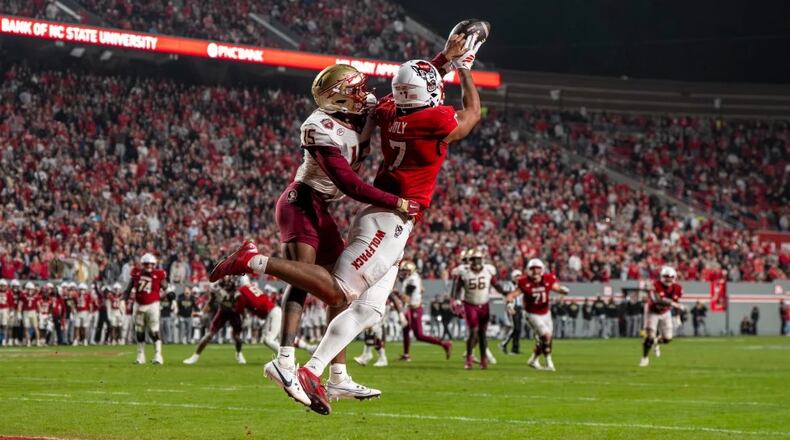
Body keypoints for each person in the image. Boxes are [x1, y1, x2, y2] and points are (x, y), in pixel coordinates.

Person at [210, 32, 482, 414]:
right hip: (302, 201)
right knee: (314, 284)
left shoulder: (375, 108)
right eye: (354, 89)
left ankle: (335, 375)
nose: (363, 93)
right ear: (337, 98)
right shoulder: (319, 128)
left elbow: (408, 92)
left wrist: (443, 60)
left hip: (331, 208)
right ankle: (281, 347)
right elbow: (349, 184)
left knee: (346, 298)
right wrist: (398, 201)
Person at [184, 276, 274, 365]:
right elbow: (210, 302)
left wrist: (244, 316)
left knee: (237, 338)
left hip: (235, 312)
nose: (226, 277)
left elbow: (243, 302)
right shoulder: (216, 287)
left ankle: (239, 353)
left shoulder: (237, 285)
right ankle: (195, 357)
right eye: (224, 275)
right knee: (209, 335)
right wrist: (201, 313)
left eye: (228, 275)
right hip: (222, 312)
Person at [505, 258, 571, 371]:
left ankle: (534, 360)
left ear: (542, 269)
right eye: (532, 269)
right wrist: (510, 305)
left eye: (537, 269)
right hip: (531, 313)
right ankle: (549, 363)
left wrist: (562, 290)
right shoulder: (524, 282)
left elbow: (556, 288)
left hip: (546, 313)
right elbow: (511, 295)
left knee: (546, 339)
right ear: (528, 270)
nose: (535, 271)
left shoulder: (548, 279)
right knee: (546, 335)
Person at [452, 248, 504, 369]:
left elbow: (496, 285)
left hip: (484, 304)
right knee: (473, 331)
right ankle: (469, 358)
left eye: (478, 259)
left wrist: (506, 293)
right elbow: (458, 288)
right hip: (470, 304)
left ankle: (483, 359)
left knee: (482, 334)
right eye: (473, 259)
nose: (476, 261)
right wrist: (457, 300)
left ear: (482, 259)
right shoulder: (464, 272)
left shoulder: (488, 271)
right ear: (470, 260)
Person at [400, 260, 452, 362]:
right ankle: (406, 355)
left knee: (419, 335)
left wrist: (400, 304)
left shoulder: (412, 280)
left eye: (405, 271)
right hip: (413, 307)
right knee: (405, 329)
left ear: (411, 271)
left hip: (414, 308)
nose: (403, 273)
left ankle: (444, 344)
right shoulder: (415, 277)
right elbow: (422, 289)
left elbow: (407, 297)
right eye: (403, 271)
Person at [125, 253, 167, 365]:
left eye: (151, 264)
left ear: (154, 264)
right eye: (146, 264)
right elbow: (129, 288)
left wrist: (169, 292)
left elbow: (165, 286)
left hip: (153, 304)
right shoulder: (136, 273)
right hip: (138, 304)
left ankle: (158, 355)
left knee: (154, 330)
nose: (149, 266)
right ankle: (140, 355)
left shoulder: (158, 274)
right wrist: (123, 299)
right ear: (142, 264)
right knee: (139, 330)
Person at [639, 266, 685, 367]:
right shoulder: (656, 285)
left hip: (665, 312)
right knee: (650, 336)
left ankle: (656, 342)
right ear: (661, 277)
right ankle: (645, 357)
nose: (668, 279)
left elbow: (676, 302)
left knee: (667, 338)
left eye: (670, 277)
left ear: (674, 277)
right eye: (665, 276)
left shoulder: (678, 288)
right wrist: (673, 304)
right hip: (652, 311)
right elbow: (657, 300)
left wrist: (677, 317)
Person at [500, 270, 523, 354]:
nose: (518, 278)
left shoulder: (521, 285)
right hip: (512, 307)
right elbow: (505, 296)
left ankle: (515, 349)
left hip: (519, 307)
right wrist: (508, 307)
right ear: (512, 277)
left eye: (519, 276)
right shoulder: (508, 285)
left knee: (519, 329)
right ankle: (503, 344)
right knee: (515, 328)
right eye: (517, 276)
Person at [0, 279, 11, 345]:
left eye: (3, 286)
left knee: (5, 325)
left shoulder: (8, 292)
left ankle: (4, 339)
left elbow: (11, 302)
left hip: (5, 309)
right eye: (1, 286)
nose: (2, 287)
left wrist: (11, 311)